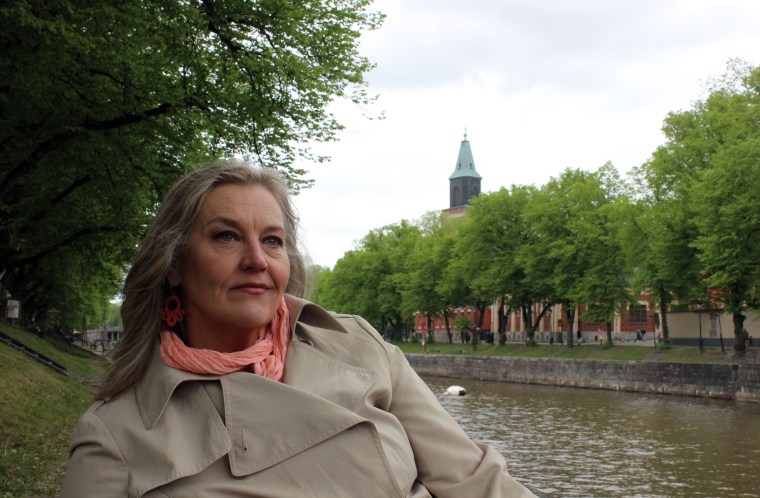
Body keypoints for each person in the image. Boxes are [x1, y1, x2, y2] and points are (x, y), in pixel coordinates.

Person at [60, 160, 535, 497]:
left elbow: (477, 482)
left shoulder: (358, 346)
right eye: (226, 236)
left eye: (272, 240)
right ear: (175, 264)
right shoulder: (117, 433)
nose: (256, 260)